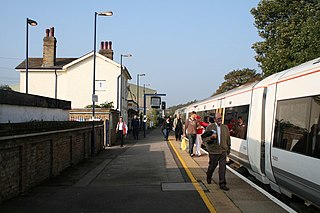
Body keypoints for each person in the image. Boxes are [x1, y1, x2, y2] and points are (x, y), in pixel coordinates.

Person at [202, 113, 231, 191]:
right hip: (213, 151)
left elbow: (228, 138)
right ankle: (209, 175)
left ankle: (222, 183)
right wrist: (210, 138)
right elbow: (204, 138)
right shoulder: (210, 127)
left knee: (222, 168)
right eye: (218, 119)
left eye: (220, 118)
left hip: (223, 151)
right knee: (212, 166)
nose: (220, 120)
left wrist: (228, 148)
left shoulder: (225, 127)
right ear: (214, 119)